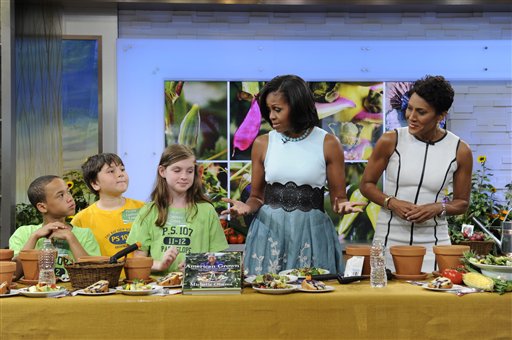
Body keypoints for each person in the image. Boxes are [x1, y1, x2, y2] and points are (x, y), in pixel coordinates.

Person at [222, 74, 365, 275]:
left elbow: (337, 199)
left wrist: (343, 204)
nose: (271, 116)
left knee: (314, 298)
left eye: (277, 110)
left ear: (297, 107)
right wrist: (246, 207)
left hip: (312, 232)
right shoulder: (263, 143)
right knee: (267, 295)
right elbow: (257, 197)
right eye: (268, 110)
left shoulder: (328, 143)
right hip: (269, 232)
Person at [360, 75, 473, 273]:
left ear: (441, 116)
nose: (411, 116)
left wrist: (437, 207)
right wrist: (392, 202)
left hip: (435, 242)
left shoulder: (460, 150)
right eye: (409, 107)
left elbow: (462, 202)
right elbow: (366, 185)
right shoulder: (390, 140)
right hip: (389, 238)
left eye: (421, 112)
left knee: (434, 301)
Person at [126, 144, 228, 275]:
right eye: (177, 170)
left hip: (197, 289)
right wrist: (160, 265)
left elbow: (218, 258)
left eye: (189, 171)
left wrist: (197, 265)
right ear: (162, 171)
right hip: (159, 290)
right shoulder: (148, 211)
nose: (184, 176)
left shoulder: (207, 210)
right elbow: (138, 260)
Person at [10, 175, 101, 280]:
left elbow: (93, 274)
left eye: (68, 192)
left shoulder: (85, 234)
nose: (70, 198)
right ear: (42, 207)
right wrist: (34, 237)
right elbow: (14, 275)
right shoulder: (23, 233)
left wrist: (71, 239)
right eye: (61, 195)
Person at [71, 153, 145, 258]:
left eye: (122, 169)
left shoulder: (144, 209)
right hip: (103, 274)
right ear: (95, 184)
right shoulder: (81, 219)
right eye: (111, 171)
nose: (120, 174)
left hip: (141, 274)